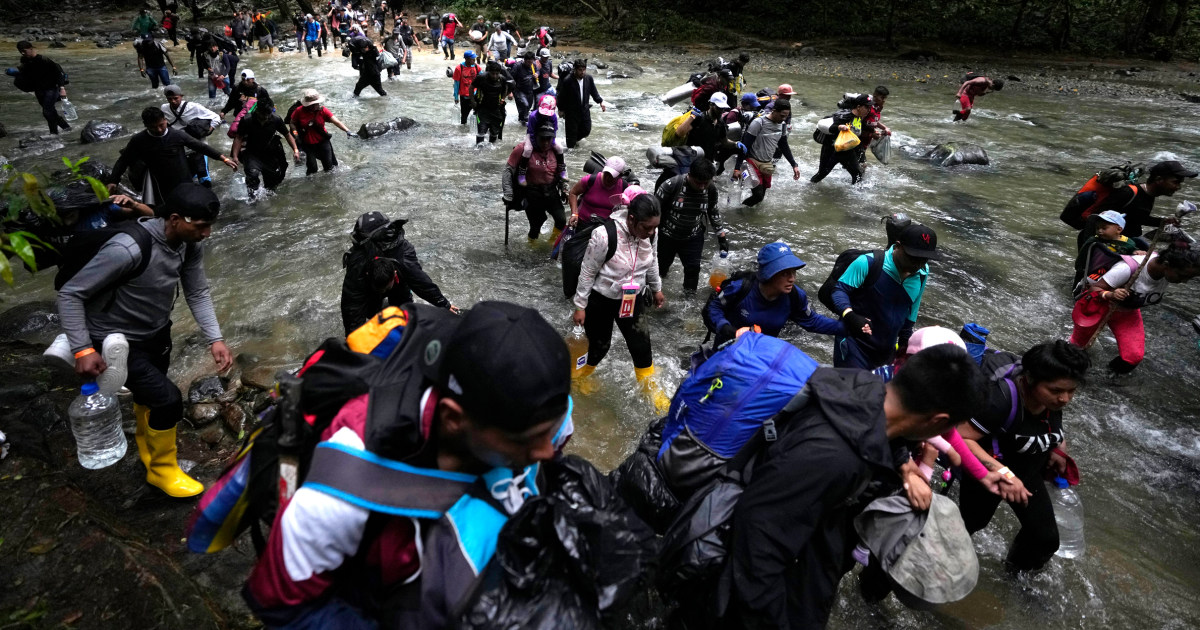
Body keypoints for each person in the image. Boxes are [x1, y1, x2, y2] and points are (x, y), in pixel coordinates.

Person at [243, 301, 571, 628]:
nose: (547, 450)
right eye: (528, 439)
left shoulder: (539, 414)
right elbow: (279, 603)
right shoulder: (341, 489)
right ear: (453, 419)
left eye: (553, 430)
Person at [720, 344, 984, 629]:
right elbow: (757, 548)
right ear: (938, 421)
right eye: (949, 428)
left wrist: (904, 464)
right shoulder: (832, 456)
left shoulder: (863, 388)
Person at [58, 184, 233, 498]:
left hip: (156, 331)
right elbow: (71, 293)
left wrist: (215, 339)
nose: (207, 233)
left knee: (148, 397)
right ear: (176, 218)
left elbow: (197, 291)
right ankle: (161, 471)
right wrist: (82, 348)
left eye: (210, 226)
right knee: (168, 400)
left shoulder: (189, 243)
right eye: (202, 226)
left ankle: (147, 450)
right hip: (115, 339)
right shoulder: (128, 249)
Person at [957, 341, 1090, 571]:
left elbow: (1051, 425)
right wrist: (1003, 472)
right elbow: (960, 437)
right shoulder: (1000, 399)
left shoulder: (1052, 401)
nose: (1065, 399)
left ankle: (1015, 577)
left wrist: (1058, 447)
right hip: (989, 475)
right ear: (1029, 379)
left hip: (1028, 472)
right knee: (967, 527)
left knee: (1045, 539)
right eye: (1057, 390)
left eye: (1072, 391)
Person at [571, 189, 670, 412]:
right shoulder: (604, 235)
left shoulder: (651, 234)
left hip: (633, 298)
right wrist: (580, 306)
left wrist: (656, 288)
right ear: (632, 219)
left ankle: (650, 389)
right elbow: (587, 272)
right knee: (600, 345)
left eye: (655, 227)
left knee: (642, 345)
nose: (651, 232)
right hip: (601, 300)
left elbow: (652, 261)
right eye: (647, 227)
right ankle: (580, 378)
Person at [1069, 241, 1200, 375]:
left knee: (1133, 357)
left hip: (1126, 311)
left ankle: (1105, 380)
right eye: (1182, 276)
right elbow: (1093, 289)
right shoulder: (1127, 269)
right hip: (1097, 305)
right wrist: (1111, 294)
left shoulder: (1166, 268)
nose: (1184, 281)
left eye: (1189, 278)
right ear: (1166, 265)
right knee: (1077, 348)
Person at [831, 223, 939, 370]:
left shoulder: (922, 273)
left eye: (924, 259)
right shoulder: (868, 263)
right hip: (854, 344)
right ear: (897, 246)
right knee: (853, 389)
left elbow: (913, 307)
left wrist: (905, 338)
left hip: (886, 351)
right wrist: (849, 315)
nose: (918, 264)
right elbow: (839, 291)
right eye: (913, 257)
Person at [339, 211, 460, 334]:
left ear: (395, 274)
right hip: (371, 281)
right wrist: (353, 338)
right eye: (381, 289)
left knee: (404, 313)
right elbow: (352, 304)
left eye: (386, 288)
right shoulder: (357, 266)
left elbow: (421, 282)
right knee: (371, 313)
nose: (384, 291)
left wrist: (444, 305)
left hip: (397, 279)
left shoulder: (403, 257)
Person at [706, 241, 843, 348]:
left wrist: (851, 328)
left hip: (761, 356)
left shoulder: (795, 296)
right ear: (769, 274)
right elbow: (713, 308)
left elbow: (812, 321)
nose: (792, 278)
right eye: (785, 273)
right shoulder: (740, 288)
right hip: (725, 351)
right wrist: (727, 328)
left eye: (793, 272)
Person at [107, 107, 236, 204]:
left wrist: (223, 158)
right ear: (145, 125)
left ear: (165, 120)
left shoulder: (177, 135)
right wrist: (113, 181)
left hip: (182, 178)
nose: (158, 130)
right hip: (158, 182)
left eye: (161, 125)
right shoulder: (139, 140)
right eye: (153, 127)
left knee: (188, 206)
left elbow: (201, 147)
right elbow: (123, 160)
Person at [1077, 160, 1196, 248]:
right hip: (1102, 246)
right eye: (1175, 182)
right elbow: (1094, 217)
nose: (1178, 187)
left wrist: (1163, 222)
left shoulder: (1148, 195)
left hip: (1122, 244)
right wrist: (1089, 249)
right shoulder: (1128, 193)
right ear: (1159, 180)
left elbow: (1136, 217)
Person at [654, 159, 727, 292]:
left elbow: (713, 211)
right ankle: (658, 293)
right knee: (661, 268)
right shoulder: (671, 185)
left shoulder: (710, 190)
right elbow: (653, 211)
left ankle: (689, 299)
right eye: (698, 182)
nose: (702, 187)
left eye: (706, 182)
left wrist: (721, 237)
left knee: (693, 270)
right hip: (667, 236)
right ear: (690, 175)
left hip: (693, 236)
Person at [503, 123, 568, 241]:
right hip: (532, 193)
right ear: (535, 136)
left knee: (561, 220)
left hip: (551, 190)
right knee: (536, 225)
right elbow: (508, 171)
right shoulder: (522, 149)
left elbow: (562, 169)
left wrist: (564, 187)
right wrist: (508, 193)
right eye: (542, 139)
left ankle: (551, 243)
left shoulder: (556, 150)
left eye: (549, 139)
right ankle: (532, 246)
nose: (545, 143)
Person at [733, 99, 798, 206]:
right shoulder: (759, 123)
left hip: (767, 164)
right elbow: (745, 146)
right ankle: (739, 213)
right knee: (758, 196)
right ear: (774, 111)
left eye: (786, 116)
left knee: (760, 197)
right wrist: (737, 168)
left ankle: (746, 214)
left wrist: (794, 165)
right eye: (782, 115)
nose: (784, 118)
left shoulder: (782, 125)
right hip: (750, 162)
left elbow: (784, 146)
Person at [231, 102, 299, 200]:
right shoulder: (247, 120)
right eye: (263, 114)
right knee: (252, 175)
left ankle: (268, 203)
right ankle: (252, 201)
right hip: (252, 152)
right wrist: (235, 156)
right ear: (257, 111)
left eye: (268, 114)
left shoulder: (276, 119)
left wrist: (295, 150)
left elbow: (287, 135)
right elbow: (238, 138)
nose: (266, 117)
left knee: (271, 185)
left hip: (270, 153)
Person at [161, 84, 222, 185]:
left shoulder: (193, 107)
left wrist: (208, 131)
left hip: (198, 147)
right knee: (187, 177)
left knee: (204, 179)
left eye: (176, 98)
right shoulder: (164, 108)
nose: (173, 101)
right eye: (169, 99)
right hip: (180, 148)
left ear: (181, 96)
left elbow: (216, 118)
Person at [8, 41, 71, 135]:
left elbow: (59, 73)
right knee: (50, 112)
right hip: (39, 90)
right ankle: (66, 128)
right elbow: (26, 74)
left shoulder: (44, 60)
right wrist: (17, 74)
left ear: (31, 48)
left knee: (47, 111)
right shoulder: (25, 61)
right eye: (20, 51)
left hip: (52, 89)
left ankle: (53, 133)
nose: (22, 53)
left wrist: (62, 89)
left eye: (24, 51)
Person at [290, 88, 354, 175]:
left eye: (316, 104)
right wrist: (296, 135)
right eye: (311, 105)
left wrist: (347, 130)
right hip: (307, 144)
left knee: (329, 167)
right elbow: (292, 124)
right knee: (312, 169)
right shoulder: (299, 111)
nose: (314, 106)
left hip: (322, 141)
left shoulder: (323, 110)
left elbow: (336, 121)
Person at [1072, 209, 1142, 289]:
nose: (1099, 231)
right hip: (1097, 270)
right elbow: (1083, 255)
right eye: (1098, 228)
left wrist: (1137, 252)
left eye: (1104, 228)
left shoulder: (1128, 243)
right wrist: (1080, 269)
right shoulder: (1094, 241)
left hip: (1118, 271)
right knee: (1090, 282)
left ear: (1119, 230)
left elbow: (1133, 253)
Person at [811, 93, 871, 185]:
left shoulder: (858, 117)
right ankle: (808, 187)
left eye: (869, 107)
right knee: (821, 174)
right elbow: (831, 128)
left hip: (846, 151)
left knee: (857, 174)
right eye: (866, 107)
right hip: (831, 150)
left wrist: (875, 132)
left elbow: (861, 128)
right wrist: (840, 127)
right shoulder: (844, 116)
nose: (869, 110)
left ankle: (855, 196)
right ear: (859, 107)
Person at [557, 59, 606, 149]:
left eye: (584, 70)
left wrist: (600, 102)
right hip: (571, 113)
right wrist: (560, 109)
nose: (582, 72)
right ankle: (570, 155)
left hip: (584, 110)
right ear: (575, 69)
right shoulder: (568, 80)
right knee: (570, 142)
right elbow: (561, 97)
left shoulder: (588, 78)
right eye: (580, 70)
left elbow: (593, 91)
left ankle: (574, 140)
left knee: (586, 130)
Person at [568, 155, 627, 227]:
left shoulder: (624, 187)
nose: (608, 178)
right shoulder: (590, 180)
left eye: (612, 176)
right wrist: (574, 213)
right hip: (583, 222)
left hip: (605, 228)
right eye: (607, 173)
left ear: (620, 176)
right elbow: (573, 193)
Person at [471, 61, 510, 144]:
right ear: (488, 72)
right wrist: (473, 101)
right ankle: (479, 150)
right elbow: (471, 87)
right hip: (482, 108)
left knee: (494, 131)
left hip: (496, 108)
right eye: (492, 74)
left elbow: (505, 89)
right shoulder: (481, 77)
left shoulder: (502, 79)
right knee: (481, 131)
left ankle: (491, 148)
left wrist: (503, 99)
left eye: (497, 74)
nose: (494, 76)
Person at [507, 51, 537, 124]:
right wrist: (510, 92)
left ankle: (522, 122)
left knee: (528, 107)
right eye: (528, 62)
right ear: (524, 60)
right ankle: (525, 120)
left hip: (529, 90)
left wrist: (536, 75)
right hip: (519, 90)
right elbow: (510, 79)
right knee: (525, 105)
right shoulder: (517, 66)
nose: (529, 64)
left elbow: (538, 72)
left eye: (531, 62)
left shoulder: (534, 66)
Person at [452, 50, 481, 125]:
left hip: (476, 95)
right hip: (465, 97)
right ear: (467, 59)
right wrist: (456, 97)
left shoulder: (476, 67)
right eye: (472, 59)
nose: (474, 60)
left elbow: (483, 79)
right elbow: (456, 84)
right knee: (464, 117)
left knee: (479, 115)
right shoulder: (459, 68)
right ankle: (463, 132)